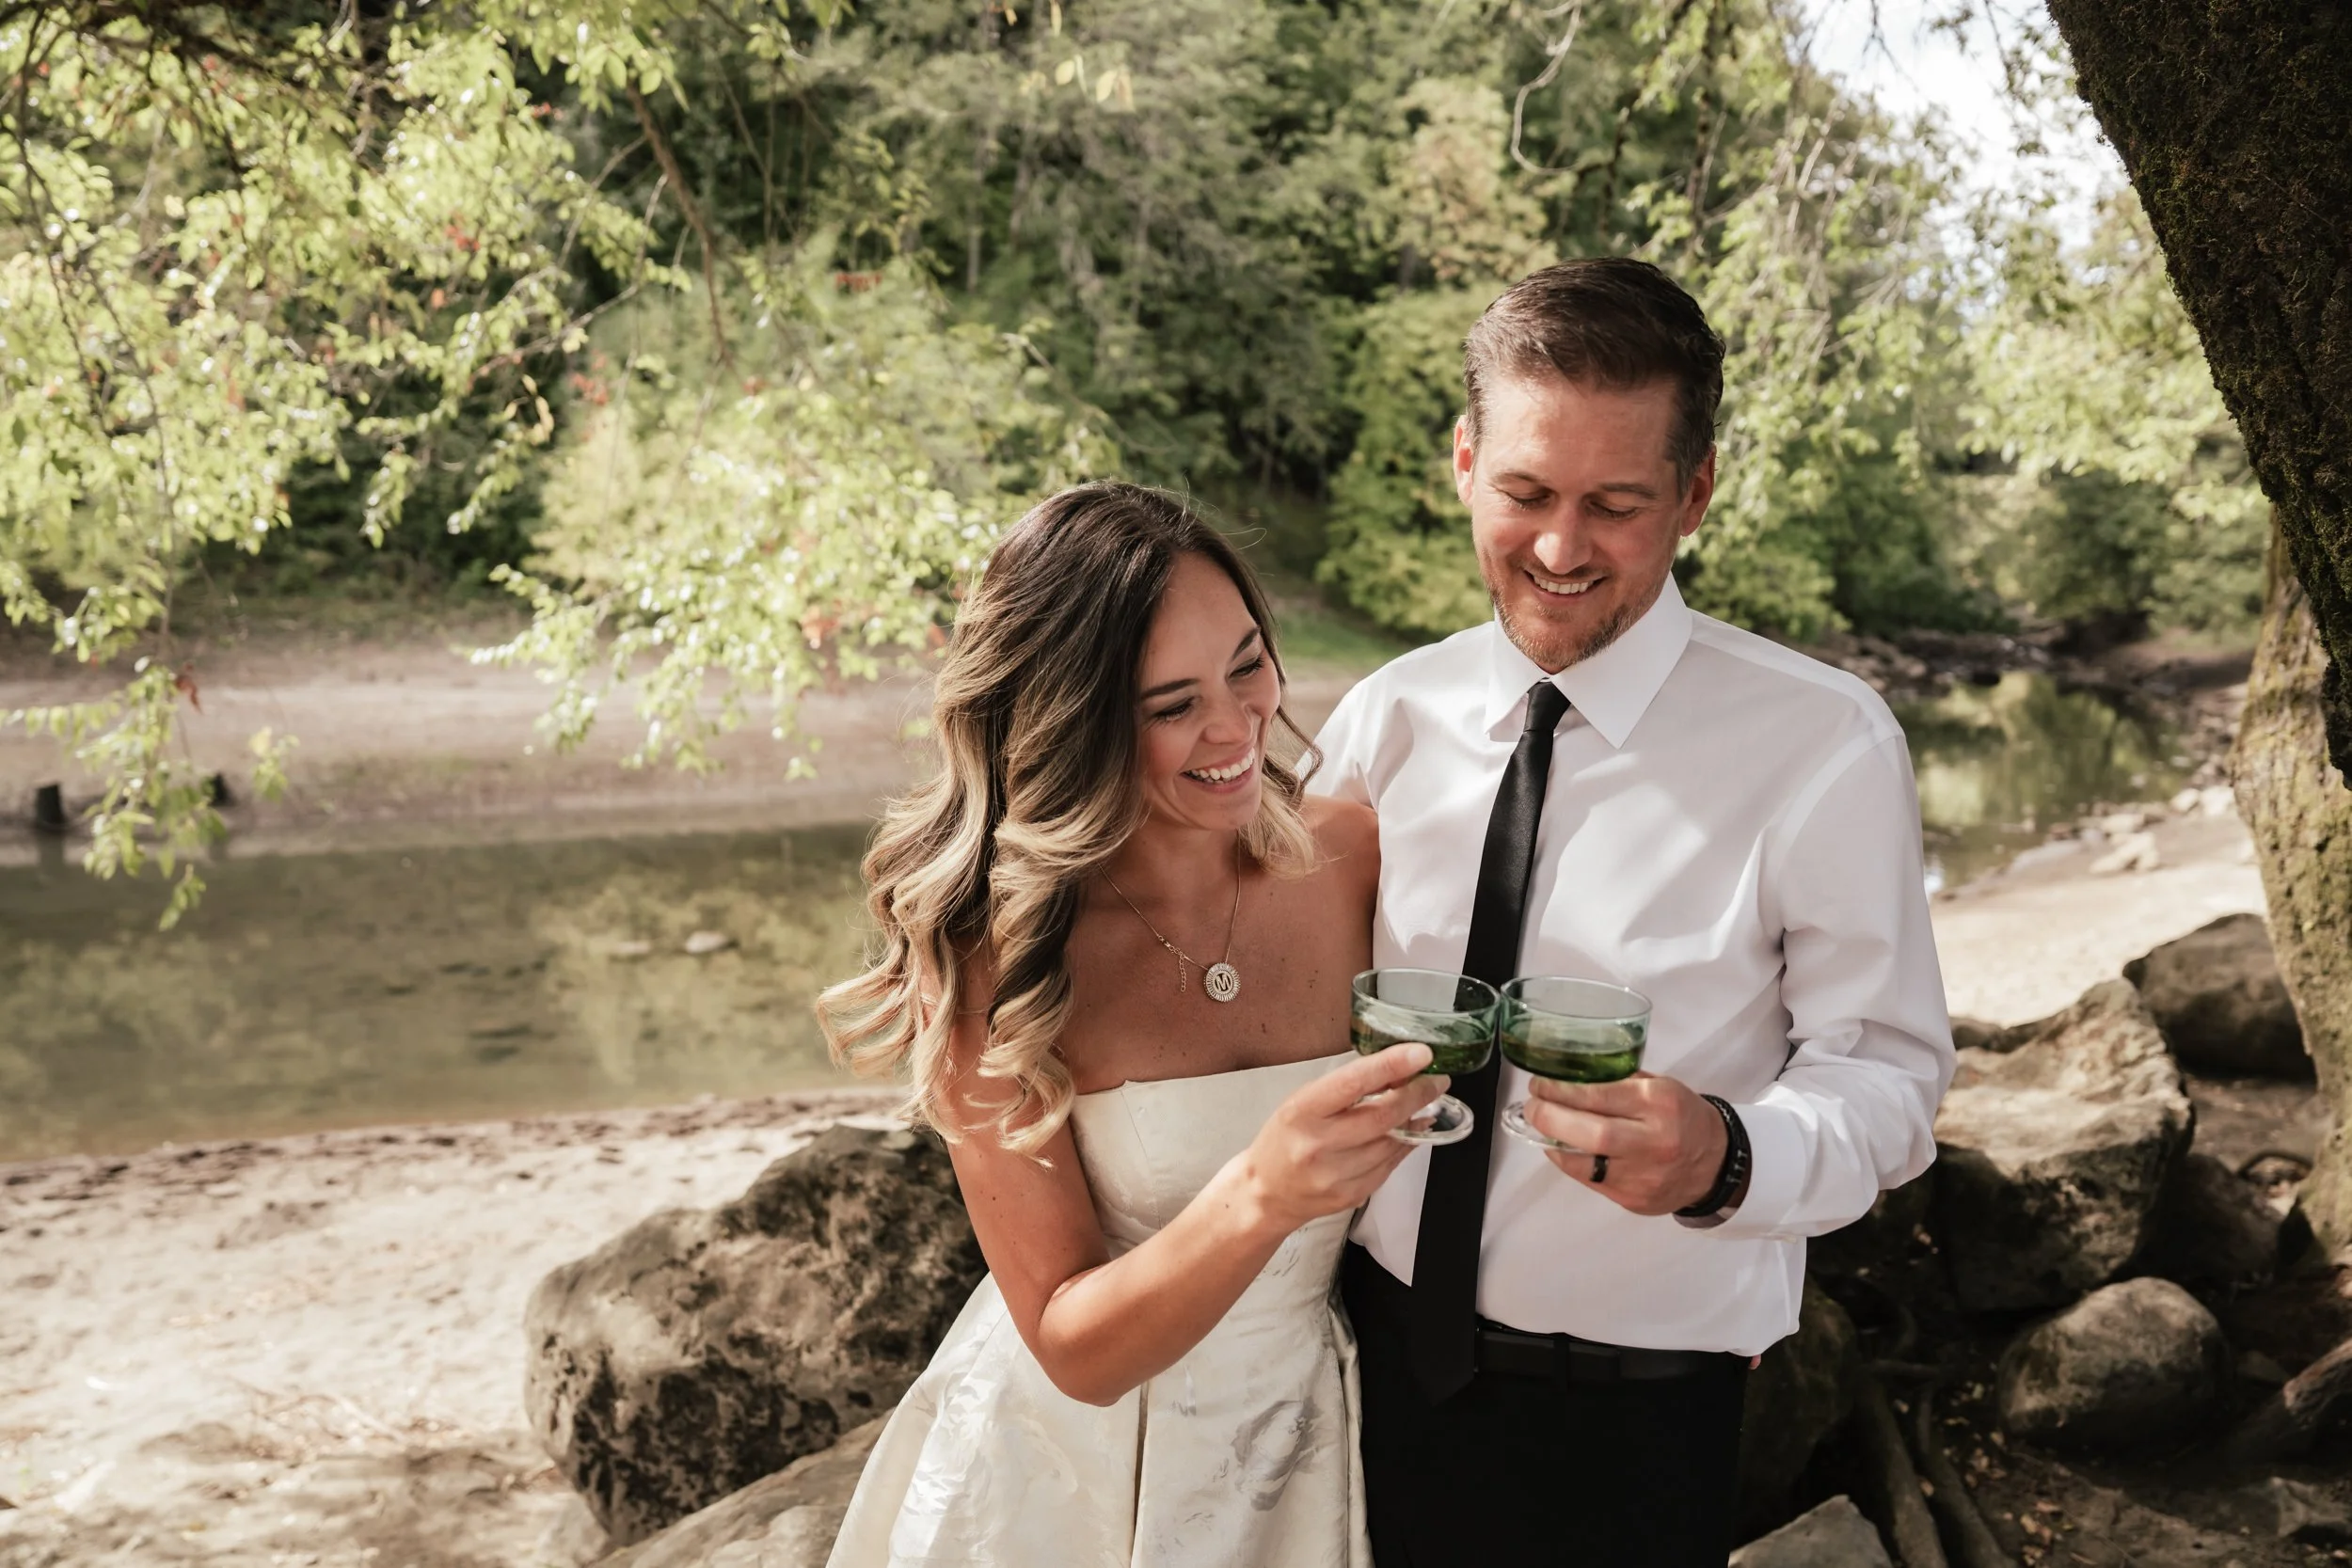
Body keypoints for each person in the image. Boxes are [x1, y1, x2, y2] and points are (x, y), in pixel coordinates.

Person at [1311, 258, 1957, 1567]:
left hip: (1632, 1422)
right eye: (1527, 493)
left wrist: (1727, 1153)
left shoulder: (1825, 743)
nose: (1560, 548)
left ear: (1696, 491)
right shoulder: (1383, 719)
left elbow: (1890, 1078)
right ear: (1462, 462)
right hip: (1353, 1356)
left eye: (1615, 503)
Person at [818, 483, 1439, 1568]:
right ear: (1073, 719)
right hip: (1066, 1480)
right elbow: (1069, 1344)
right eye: (1168, 704)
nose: (1233, 726)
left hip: (1297, 1440)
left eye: (1247, 664)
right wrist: (1262, 1192)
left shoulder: (1359, 860)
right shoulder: (994, 955)